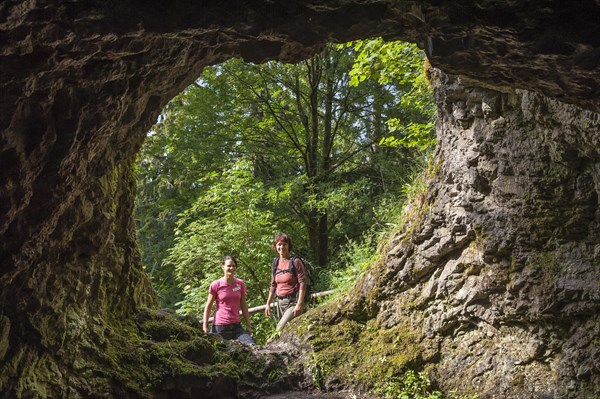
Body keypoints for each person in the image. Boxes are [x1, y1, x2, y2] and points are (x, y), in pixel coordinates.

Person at [202, 255, 254, 345]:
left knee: (251, 345)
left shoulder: (240, 284)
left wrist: (248, 324)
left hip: (236, 326)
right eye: (229, 266)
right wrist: (205, 325)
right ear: (223, 267)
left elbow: (243, 305)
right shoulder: (216, 284)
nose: (231, 268)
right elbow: (208, 306)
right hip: (220, 327)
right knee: (221, 353)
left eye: (234, 266)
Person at [264, 233, 307, 331]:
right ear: (275, 247)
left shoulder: (295, 262)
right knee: (288, 330)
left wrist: (299, 304)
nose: (281, 247)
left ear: (289, 246)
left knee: (280, 327)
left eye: (284, 244)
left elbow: (302, 282)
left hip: (292, 302)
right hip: (279, 303)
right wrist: (268, 304)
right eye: (279, 244)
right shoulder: (275, 263)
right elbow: (273, 285)